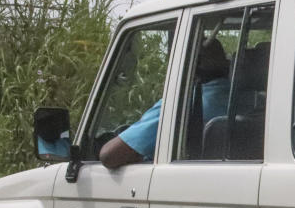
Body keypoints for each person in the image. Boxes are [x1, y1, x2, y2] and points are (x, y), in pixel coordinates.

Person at [99, 37, 231, 168]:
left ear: (188, 66)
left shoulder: (181, 103)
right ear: (227, 63)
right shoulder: (245, 100)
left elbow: (109, 156)